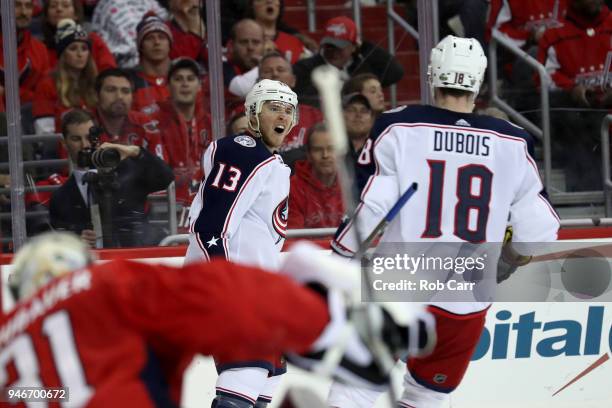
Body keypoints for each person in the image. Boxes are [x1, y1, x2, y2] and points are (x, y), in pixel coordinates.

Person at [331, 35, 560, 407]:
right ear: (482, 81)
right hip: (467, 296)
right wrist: (506, 261)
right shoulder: (512, 141)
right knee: (425, 397)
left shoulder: (397, 127)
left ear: (431, 74)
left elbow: (371, 206)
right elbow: (540, 232)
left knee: (354, 388)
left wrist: (340, 255)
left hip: (399, 284)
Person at [1, 231, 435, 408]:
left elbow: (49, 388)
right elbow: (217, 298)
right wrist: (321, 322)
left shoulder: (9, 354)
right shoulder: (100, 285)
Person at [185, 79, 297, 407]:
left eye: (288, 110)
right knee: (243, 383)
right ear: (252, 114)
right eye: (273, 108)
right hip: (235, 288)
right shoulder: (243, 151)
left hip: (257, 291)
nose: (283, 116)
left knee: (264, 384)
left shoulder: (271, 162)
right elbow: (210, 227)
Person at [49, 109, 174, 248]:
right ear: (64, 143)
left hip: (135, 258)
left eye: (89, 138)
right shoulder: (60, 198)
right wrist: (75, 241)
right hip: (92, 265)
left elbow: (166, 178)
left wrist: (135, 151)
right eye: (76, 139)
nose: (84, 145)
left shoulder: (126, 170)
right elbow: (58, 245)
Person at [293, 16, 404, 107]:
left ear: (354, 47)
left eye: (340, 47)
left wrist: (364, 46)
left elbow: (395, 72)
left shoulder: (361, 67)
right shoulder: (305, 68)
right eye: (329, 46)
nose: (333, 52)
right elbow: (301, 100)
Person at [155, 57, 212, 205]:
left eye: (190, 79)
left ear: (199, 86)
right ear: (168, 86)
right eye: (178, 79)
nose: (185, 84)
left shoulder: (211, 122)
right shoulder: (156, 123)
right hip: (169, 203)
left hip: (207, 200)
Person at [33, 19, 97, 135]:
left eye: (84, 48)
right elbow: (45, 134)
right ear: (62, 54)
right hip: (60, 149)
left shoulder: (95, 84)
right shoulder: (47, 85)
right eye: (73, 48)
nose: (80, 54)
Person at [92, 68, 166, 161]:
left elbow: (161, 168)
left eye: (125, 91)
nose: (119, 96)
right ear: (96, 95)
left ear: (132, 97)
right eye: (111, 90)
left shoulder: (144, 123)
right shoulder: (84, 124)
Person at [258, 52, 323, 152]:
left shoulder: (314, 115)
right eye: (267, 71)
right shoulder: (250, 117)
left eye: (281, 70)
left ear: (293, 80)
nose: (275, 74)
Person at [288, 123, 344, 229]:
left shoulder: (352, 185)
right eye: (318, 150)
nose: (325, 155)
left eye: (331, 148)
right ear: (308, 155)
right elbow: (293, 239)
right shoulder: (291, 188)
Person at [0, 0, 51, 112]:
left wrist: (7, 92)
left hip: (29, 119)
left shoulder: (40, 49)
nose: (23, 12)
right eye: (17, 5)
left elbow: (44, 94)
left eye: (28, 6)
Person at [41, 0, 116, 72]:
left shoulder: (93, 40)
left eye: (66, 5)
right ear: (47, 16)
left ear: (76, 14)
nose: (59, 9)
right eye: (53, 6)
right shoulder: (41, 49)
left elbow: (109, 71)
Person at [131, 11, 173, 116]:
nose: (157, 42)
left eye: (162, 37)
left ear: (170, 44)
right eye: (150, 38)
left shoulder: (184, 77)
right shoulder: (129, 82)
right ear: (141, 46)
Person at [342, 92, 376, 194]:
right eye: (352, 110)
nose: (358, 115)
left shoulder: (380, 150)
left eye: (364, 111)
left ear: (371, 118)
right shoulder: (330, 149)